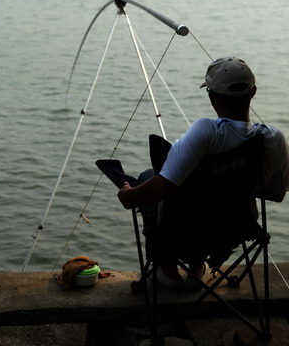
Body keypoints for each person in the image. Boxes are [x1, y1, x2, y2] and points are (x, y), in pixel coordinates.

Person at [118, 57, 289, 290]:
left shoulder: (206, 131)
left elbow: (165, 186)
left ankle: (166, 269)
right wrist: (234, 185)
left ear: (212, 96)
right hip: (235, 228)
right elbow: (277, 194)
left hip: (184, 229)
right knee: (214, 200)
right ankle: (198, 267)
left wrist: (130, 196)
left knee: (149, 176)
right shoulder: (274, 138)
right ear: (253, 92)